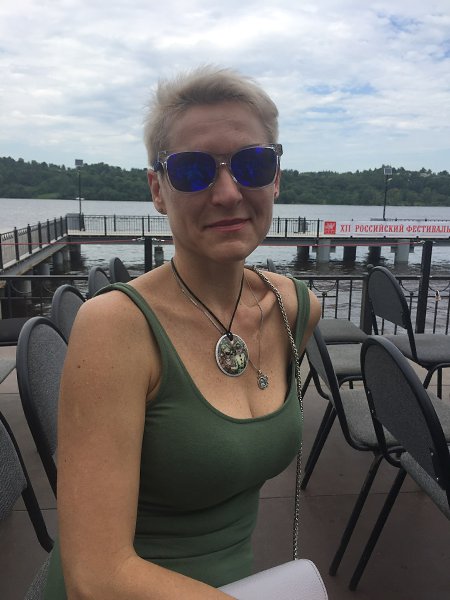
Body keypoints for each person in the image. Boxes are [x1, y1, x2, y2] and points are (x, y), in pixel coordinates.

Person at [44, 65, 321, 599]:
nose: (228, 193)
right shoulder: (116, 327)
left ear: (276, 177)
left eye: (252, 164)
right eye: (194, 171)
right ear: (158, 189)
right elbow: (94, 576)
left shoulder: (295, 309)